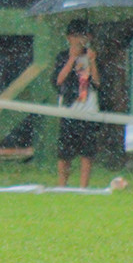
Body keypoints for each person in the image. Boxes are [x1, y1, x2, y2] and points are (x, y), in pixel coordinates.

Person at [53, 18, 102, 188]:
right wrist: (71, 60)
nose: (78, 40)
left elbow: (97, 83)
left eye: (82, 35)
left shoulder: (91, 56)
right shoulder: (62, 56)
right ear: (68, 38)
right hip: (68, 109)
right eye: (74, 36)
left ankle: (83, 187)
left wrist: (93, 61)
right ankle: (62, 185)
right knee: (64, 153)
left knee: (87, 153)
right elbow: (58, 81)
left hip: (88, 109)